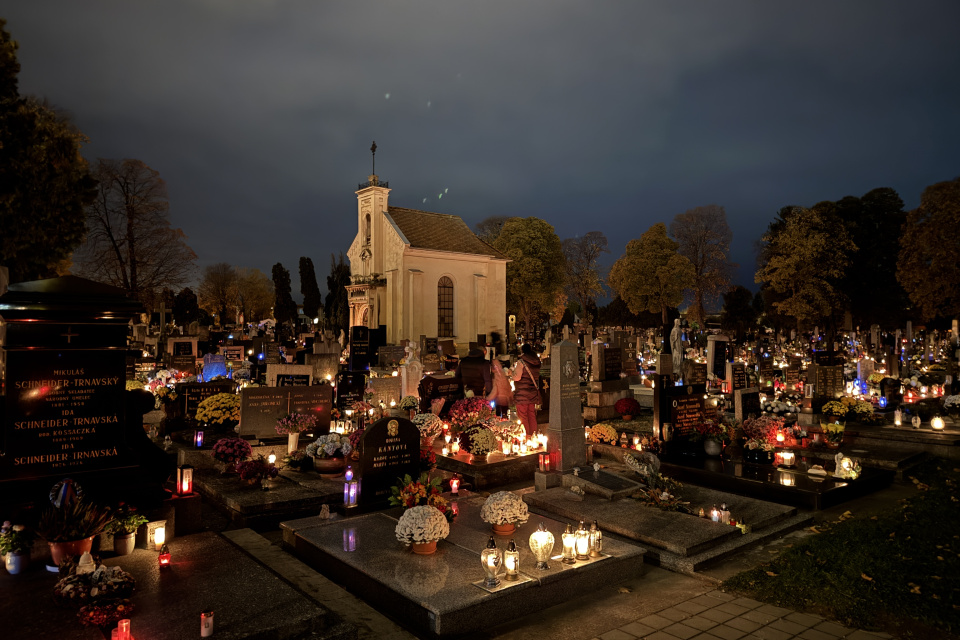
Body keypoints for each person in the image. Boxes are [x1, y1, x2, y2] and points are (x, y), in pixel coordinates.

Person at [512, 343, 542, 436]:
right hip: (532, 392)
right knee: (531, 415)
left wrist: (511, 373)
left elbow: (517, 377)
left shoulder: (521, 362)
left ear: (522, 351)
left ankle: (526, 437)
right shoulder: (537, 362)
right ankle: (533, 436)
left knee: (523, 416)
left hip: (522, 393)